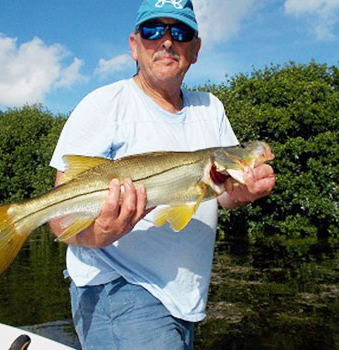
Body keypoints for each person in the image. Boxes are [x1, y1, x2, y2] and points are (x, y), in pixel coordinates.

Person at [49, 0, 275, 349]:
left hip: (185, 298)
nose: (167, 41)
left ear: (195, 49)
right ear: (134, 45)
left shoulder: (210, 107)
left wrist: (243, 193)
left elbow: (222, 193)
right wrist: (101, 234)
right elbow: (61, 222)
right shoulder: (103, 104)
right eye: (153, 31)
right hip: (118, 289)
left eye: (181, 32)